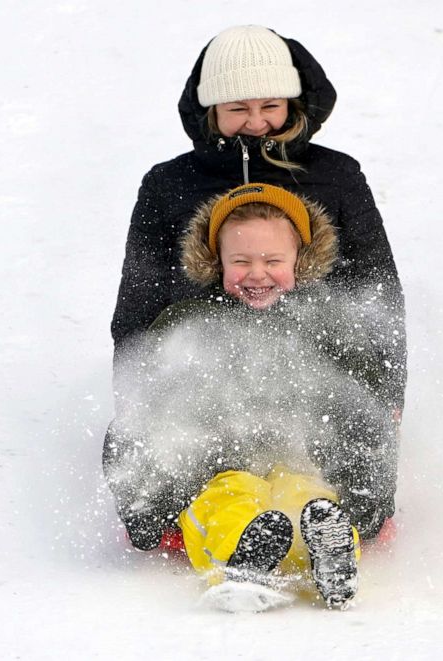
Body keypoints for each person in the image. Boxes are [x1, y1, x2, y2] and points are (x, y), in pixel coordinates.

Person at [104, 184, 402, 608]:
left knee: (312, 501)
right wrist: (146, 512)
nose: (257, 273)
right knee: (229, 499)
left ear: (301, 258)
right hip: (213, 468)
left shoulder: (330, 324)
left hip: (304, 457)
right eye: (240, 261)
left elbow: (365, 414)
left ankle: (333, 558)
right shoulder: (188, 325)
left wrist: (369, 508)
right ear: (216, 262)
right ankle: (243, 558)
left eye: (273, 261)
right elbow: (147, 414)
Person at [110, 24, 407, 417]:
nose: (254, 122)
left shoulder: (337, 176)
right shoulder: (167, 185)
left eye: (270, 106)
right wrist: (132, 397)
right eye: (237, 109)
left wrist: (388, 397)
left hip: (317, 380)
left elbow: (375, 287)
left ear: (292, 103)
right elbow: (139, 297)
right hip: (203, 386)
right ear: (211, 110)